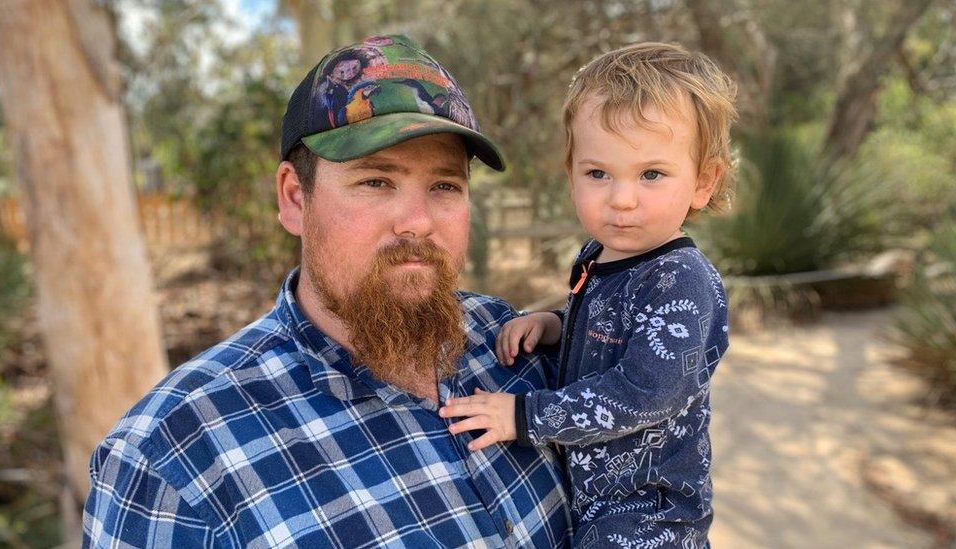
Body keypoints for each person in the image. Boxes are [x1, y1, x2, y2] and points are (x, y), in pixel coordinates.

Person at [82, 35, 572, 548]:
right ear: (295, 198)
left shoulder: (519, 348)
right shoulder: (176, 459)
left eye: (445, 185)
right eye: (377, 182)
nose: (418, 223)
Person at [439, 42, 737, 548]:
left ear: (702, 183)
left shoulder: (681, 279)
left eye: (652, 174)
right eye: (598, 173)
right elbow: (610, 324)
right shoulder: (599, 253)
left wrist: (523, 415)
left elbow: (646, 391)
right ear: (571, 174)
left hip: (649, 514)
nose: (621, 198)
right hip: (592, 499)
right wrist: (556, 323)